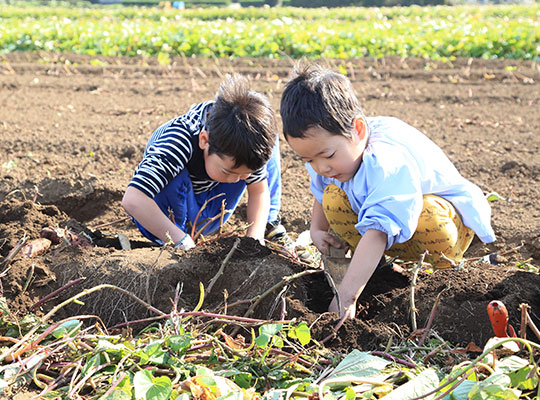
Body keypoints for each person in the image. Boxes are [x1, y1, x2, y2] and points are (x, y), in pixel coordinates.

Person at [279, 62, 496, 320]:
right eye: (309, 159)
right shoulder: (331, 157)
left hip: (449, 224)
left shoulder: (387, 162)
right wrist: (317, 229)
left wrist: (346, 297)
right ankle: (375, 269)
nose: (320, 167)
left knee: (428, 218)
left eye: (326, 155)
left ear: (357, 130)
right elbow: (322, 188)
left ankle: (450, 276)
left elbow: (378, 231)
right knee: (334, 198)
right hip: (395, 224)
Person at [122, 74, 292, 251]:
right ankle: (174, 240)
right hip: (164, 221)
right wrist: (180, 240)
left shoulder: (244, 146)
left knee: (263, 132)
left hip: (211, 212)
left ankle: (269, 225)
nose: (237, 180)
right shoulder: (179, 139)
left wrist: (254, 243)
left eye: (244, 175)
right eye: (228, 172)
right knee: (172, 172)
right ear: (204, 140)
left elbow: (259, 192)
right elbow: (133, 199)